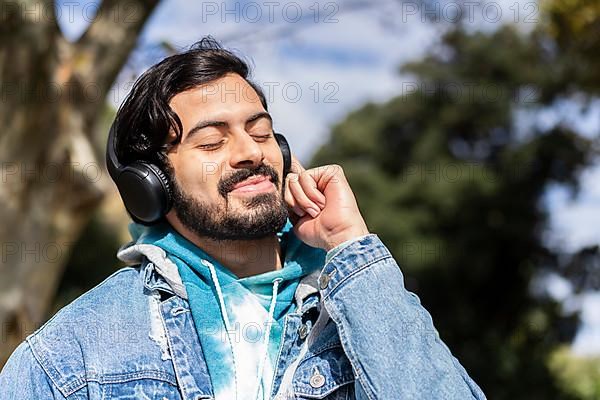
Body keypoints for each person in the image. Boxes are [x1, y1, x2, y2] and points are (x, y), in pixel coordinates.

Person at [0, 37, 486, 400]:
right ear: (149, 185)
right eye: (212, 142)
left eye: (262, 131)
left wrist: (350, 244)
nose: (250, 152)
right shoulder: (68, 355)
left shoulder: (361, 303)